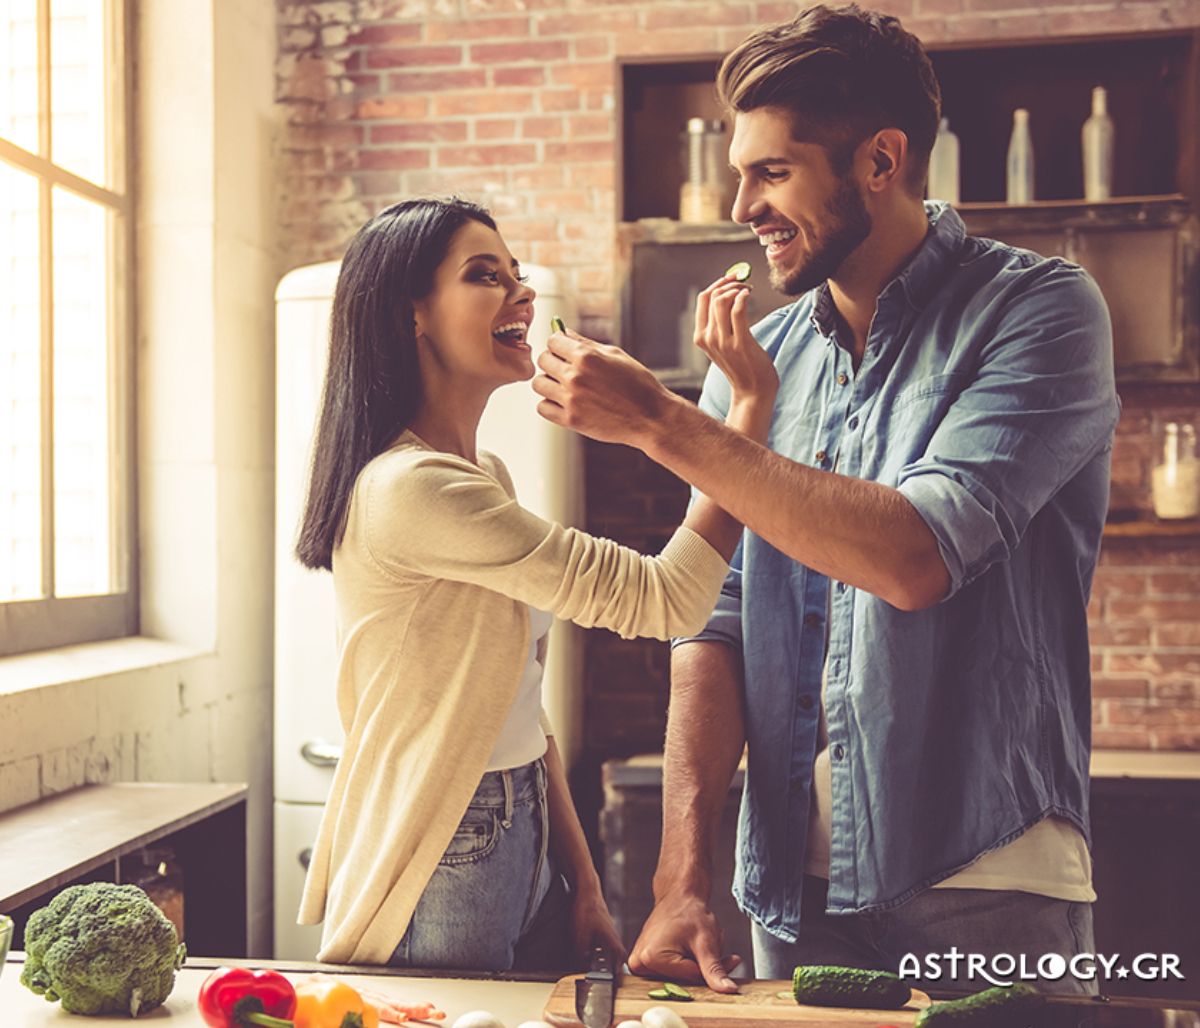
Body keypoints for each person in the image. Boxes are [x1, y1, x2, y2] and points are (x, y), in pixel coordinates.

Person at [532, 4, 1119, 997]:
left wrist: (664, 422)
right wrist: (684, 870)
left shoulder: (1041, 310)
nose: (743, 205)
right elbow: (710, 625)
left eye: (772, 172)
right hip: (793, 891)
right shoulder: (752, 369)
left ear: (881, 161)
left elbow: (914, 555)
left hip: (988, 872)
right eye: (740, 174)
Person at [292, 197, 777, 970]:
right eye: (485, 276)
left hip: (515, 822)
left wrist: (578, 879)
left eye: (517, 274)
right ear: (409, 313)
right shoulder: (414, 490)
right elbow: (668, 599)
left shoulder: (481, 477)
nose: (520, 293)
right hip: (445, 839)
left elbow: (516, 704)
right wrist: (743, 412)